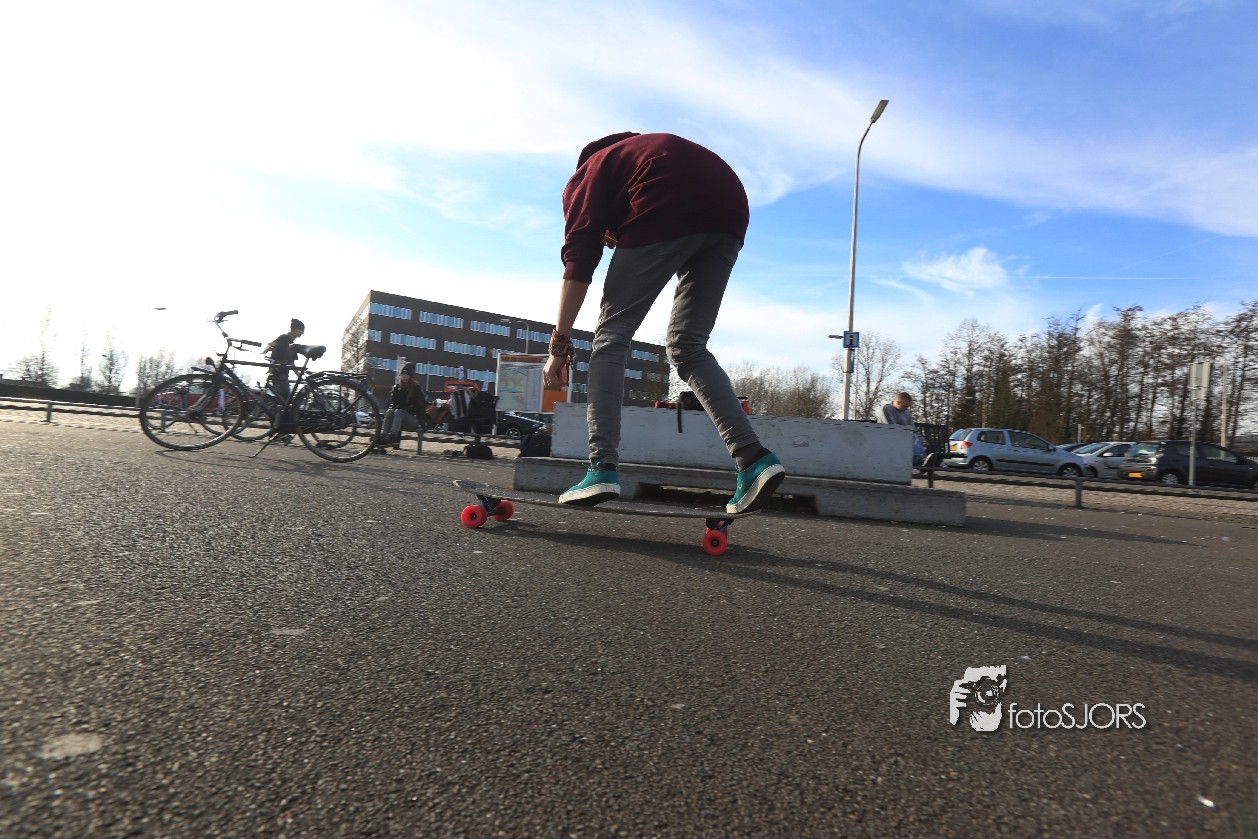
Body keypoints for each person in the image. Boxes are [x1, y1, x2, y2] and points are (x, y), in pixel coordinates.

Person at [543, 132, 785, 513]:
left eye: (609, 237)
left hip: (666, 195)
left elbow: (579, 260)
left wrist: (558, 346)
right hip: (730, 206)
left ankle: (601, 467)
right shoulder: (636, 155)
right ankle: (753, 459)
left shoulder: (586, 175)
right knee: (688, 347)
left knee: (611, 337)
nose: (610, 243)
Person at [380, 363, 428, 449]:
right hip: (398, 419)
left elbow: (420, 407)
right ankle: (383, 435)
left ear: (410, 376)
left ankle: (393, 436)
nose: (405, 377)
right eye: (403, 374)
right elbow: (392, 404)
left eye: (407, 375)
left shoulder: (416, 389)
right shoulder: (397, 388)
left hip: (413, 420)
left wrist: (422, 423)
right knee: (390, 411)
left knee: (399, 412)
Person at [877, 391, 926, 465]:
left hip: (902, 438)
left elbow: (912, 427)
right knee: (913, 437)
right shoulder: (886, 409)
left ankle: (922, 459)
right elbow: (891, 427)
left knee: (916, 436)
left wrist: (921, 439)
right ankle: (918, 460)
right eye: (904, 406)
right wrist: (908, 432)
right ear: (898, 402)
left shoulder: (907, 412)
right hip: (887, 438)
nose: (906, 409)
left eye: (907, 407)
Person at [264, 318, 305, 404]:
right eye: (300, 329)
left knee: (283, 401)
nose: (302, 332)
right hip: (278, 373)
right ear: (294, 329)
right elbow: (270, 344)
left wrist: (299, 375)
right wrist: (267, 349)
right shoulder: (284, 338)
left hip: (283, 375)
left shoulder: (292, 345)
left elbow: (291, 362)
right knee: (286, 402)